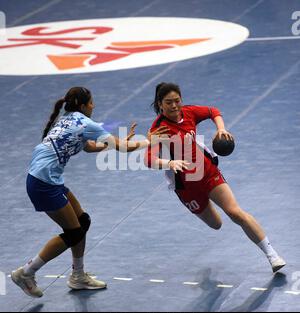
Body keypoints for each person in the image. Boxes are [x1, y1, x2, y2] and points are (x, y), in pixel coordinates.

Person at [11, 86, 167, 298]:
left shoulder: (68, 118)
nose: (94, 106)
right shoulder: (86, 122)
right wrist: (150, 141)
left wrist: (118, 143)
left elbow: (90, 147)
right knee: (74, 232)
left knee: (82, 221)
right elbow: (123, 148)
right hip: (43, 183)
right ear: (83, 106)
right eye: (91, 102)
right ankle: (26, 272)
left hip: (47, 179)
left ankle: (78, 275)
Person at [145, 82, 286, 273]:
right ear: (160, 104)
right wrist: (169, 163)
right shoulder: (158, 128)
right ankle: (206, 201)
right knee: (216, 224)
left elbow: (213, 111)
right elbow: (148, 159)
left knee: (235, 212)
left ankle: (272, 255)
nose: (174, 106)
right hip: (186, 186)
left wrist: (221, 129)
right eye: (168, 102)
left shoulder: (189, 113)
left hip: (207, 172)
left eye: (177, 101)